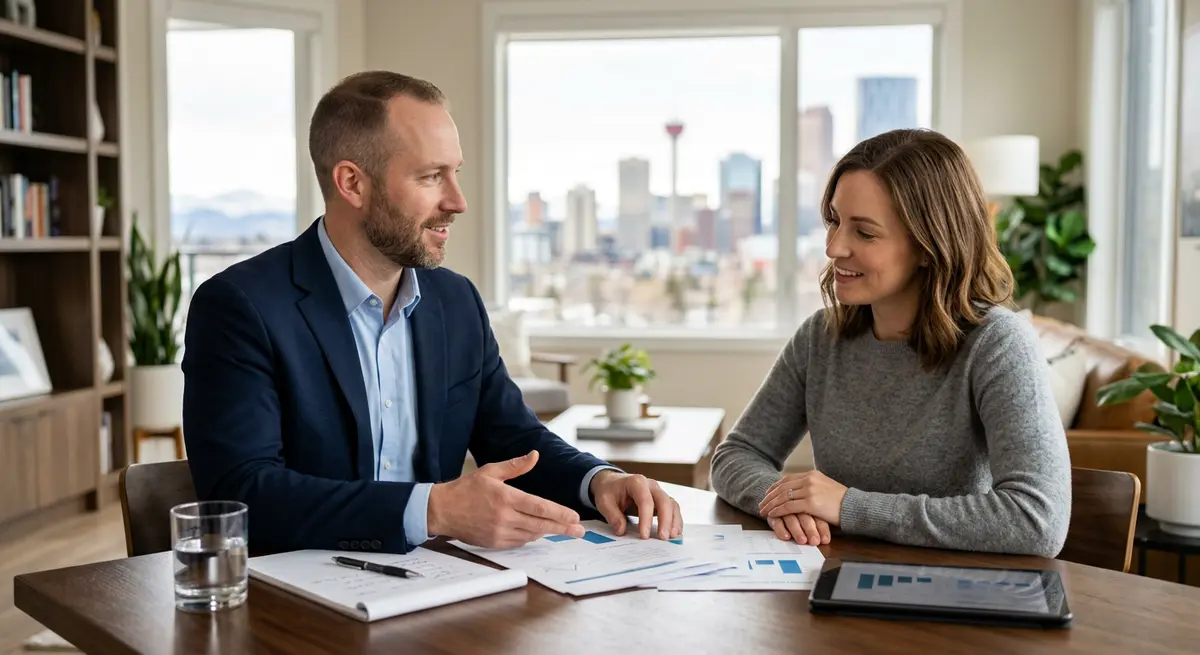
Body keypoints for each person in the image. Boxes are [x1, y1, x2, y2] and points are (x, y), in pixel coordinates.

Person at [181, 71, 682, 556]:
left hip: (437, 586)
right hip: (294, 596)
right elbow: (242, 491)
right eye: (430, 177)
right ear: (352, 183)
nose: (457, 201)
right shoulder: (240, 306)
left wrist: (599, 481)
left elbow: (514, 439)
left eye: (455, 173)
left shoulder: (456, 301)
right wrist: (433, 510)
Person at [710, 128, 1071, 558]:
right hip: (839, 577)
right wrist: (783, 503)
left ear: (928, 246)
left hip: (953, 589)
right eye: (834, 221)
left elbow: (1037, 520)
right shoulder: (820, 337)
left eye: (864, 233)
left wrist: (849, 507)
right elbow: (737, 454)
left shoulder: (997, 343)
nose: (834, 247)